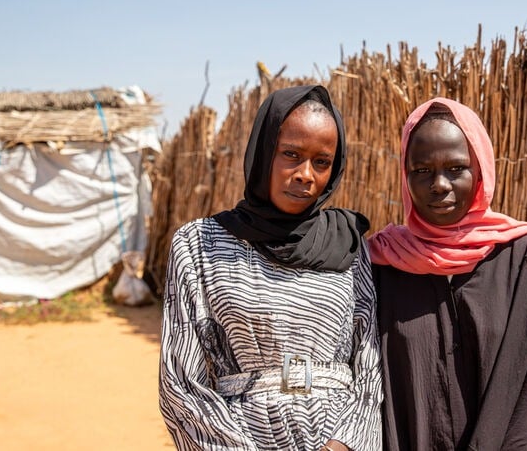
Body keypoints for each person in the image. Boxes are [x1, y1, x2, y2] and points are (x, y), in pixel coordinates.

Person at [159, 85, 382, 451]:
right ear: (264, 154)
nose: (305, 174)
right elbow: (180, 380)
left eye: (321, 162)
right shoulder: (200, 244)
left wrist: (345, 444)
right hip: (239, 437)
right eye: (291, 154)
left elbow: (370, 364)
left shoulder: (348, 244)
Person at [368, 98, 527, 450]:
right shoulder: (383, 265)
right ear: (405, 177)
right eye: (421, 170)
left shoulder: (525, 260)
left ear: (479, 170)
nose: (439, 184)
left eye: (456, 168)